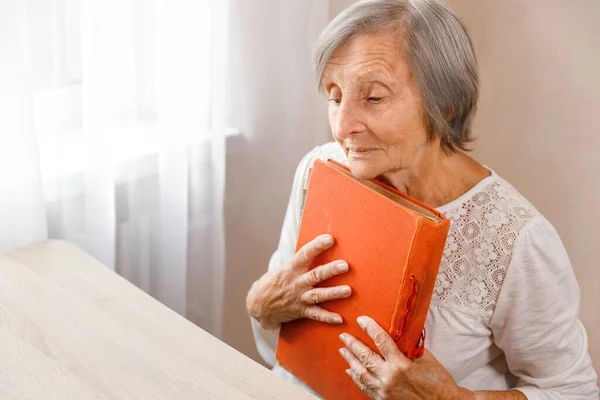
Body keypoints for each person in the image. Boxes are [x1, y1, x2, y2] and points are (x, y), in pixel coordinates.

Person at [245, 0, 600, 398]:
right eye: (334, 95)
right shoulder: (317, 171)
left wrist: (451, 399)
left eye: (374, 98)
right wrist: (260, 305)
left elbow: (575, 391)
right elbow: (279, 342)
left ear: (444, 105)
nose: (342, 127)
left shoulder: (514, 239)